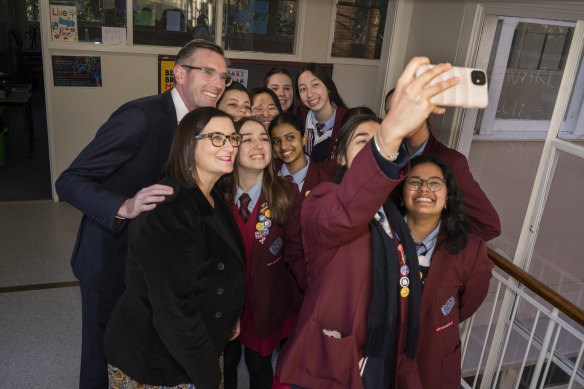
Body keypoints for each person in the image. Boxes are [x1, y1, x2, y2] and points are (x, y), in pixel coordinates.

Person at [273, 57, 459, 389]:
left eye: (382, 143)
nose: (376, 149)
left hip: (385, 359)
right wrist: (389, 132)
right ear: (341, 157)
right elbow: (347, 210)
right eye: (364, 142)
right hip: (334, 365)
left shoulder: (393, 217)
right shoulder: (322, 201)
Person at [55, 39, 231, 389]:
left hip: (158, 267)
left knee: (140, 350)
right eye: (207, 71)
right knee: (101, 354)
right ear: (179, 73)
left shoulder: (206, 126)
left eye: (224, 76)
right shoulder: (140, 117)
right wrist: (124, 206)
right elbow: (70, 180)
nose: (218, 83)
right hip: (111, 258)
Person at [104, 107, 246, 389]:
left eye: (233, 138)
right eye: (217, 138)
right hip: (159, 360)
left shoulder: (212, 193)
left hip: (195, 344)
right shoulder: (168, 209)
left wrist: (230, 314)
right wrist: (208, 376)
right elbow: (173, 312)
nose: (229, 145)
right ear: (188, 143)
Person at [392, 155, 493, 389]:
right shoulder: (381, 235)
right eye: (414, 181)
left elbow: (465, 305)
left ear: (448, 196)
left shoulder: (471, 249)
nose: (424, 188)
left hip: (432, 360)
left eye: (435, 183)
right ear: (403, 193)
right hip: (383, 356)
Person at [222, 116, 301, 389]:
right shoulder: (217, 194)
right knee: (226, 363)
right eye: (247, 138)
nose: (258, 145)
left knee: (259, 365)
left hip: (266, 302)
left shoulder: (287, 194)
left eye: (264, 138)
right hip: (225, 301)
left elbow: (296, 252)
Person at [268, 112, 335, 291]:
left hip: (310, 277)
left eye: (290, 138)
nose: (284, 146)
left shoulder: (326, 181)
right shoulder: (266, 176)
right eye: (276, 141)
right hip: (270, 278)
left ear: (304, 138)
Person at [296, 63, 348, 163]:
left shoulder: (348, 119)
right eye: (303, 89)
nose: (309, 94)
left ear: (328, 87)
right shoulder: (299, 116)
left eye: (315, 85)